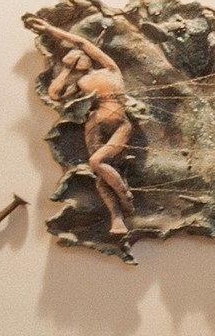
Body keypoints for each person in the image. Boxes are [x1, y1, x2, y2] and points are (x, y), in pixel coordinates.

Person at [22, 13, 135, 237]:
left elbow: (81, 42)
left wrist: (49, 29)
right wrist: (66, 70)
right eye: (73, 58)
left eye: (81, 56)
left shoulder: (110, 69)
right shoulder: (81, 83)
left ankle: (125, 197)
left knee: (97, 161)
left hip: (120, 124)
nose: (78, 57)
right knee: (99, 172)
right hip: (95, 125)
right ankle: (117, 217)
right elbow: (55, 94)